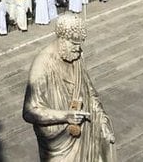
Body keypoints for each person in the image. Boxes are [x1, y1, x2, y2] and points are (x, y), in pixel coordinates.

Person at [22, 13, 116, 160]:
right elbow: (29, 111)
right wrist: (66, 116)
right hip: (59, 143)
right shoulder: (42, 64)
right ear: (62, 39)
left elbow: (90, 91)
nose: (78, 49)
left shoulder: (76, 55)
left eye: (80, 44)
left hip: (84, 133)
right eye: (74, 44)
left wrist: (102, 121)